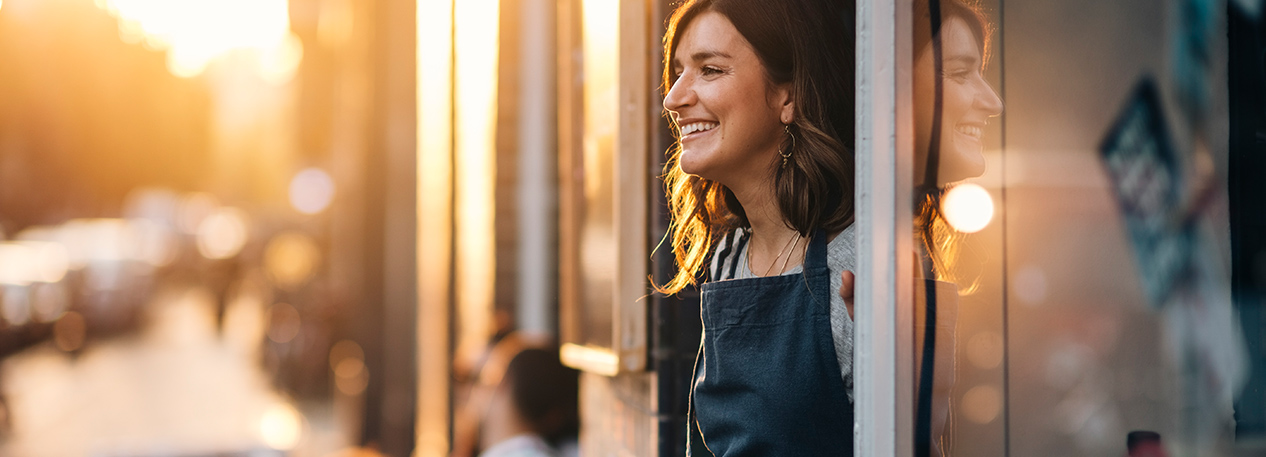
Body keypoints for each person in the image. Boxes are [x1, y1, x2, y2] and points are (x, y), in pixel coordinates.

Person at [656, 0, 857, 454]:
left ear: (788, 96)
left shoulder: (855, 260)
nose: (674, 97)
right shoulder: (730, 257)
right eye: (678, 71)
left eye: (709, 70)